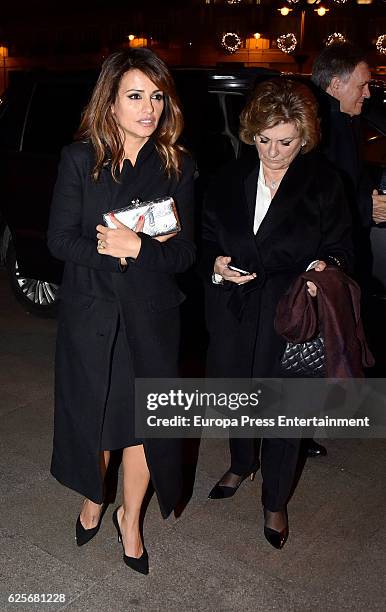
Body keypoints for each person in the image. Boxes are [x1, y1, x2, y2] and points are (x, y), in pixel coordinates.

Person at [47, 48, 195, 574]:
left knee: (141, 424)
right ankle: (94, 496)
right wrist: (114, 249)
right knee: (95, 419)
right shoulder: (79, 160)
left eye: (157, 97)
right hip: (91, 316)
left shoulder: (176, 165)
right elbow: (59, 240)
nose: (148, 108)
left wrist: (142, 250)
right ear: (110, 103)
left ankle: (130, 520)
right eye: (135, 96)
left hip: (152, 317)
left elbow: (184, 253)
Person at [201, 78, 352, 549]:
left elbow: (344, 248)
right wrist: (217, 263)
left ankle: (275, 499)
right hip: (236, 308)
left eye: (284, 141)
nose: (272, 151)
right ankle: (243, 463)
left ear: (304, 137)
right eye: (264, 139)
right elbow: (206, 236)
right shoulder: (229, 178)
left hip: (293, 312)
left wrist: (324, 268)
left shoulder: (324, 182)